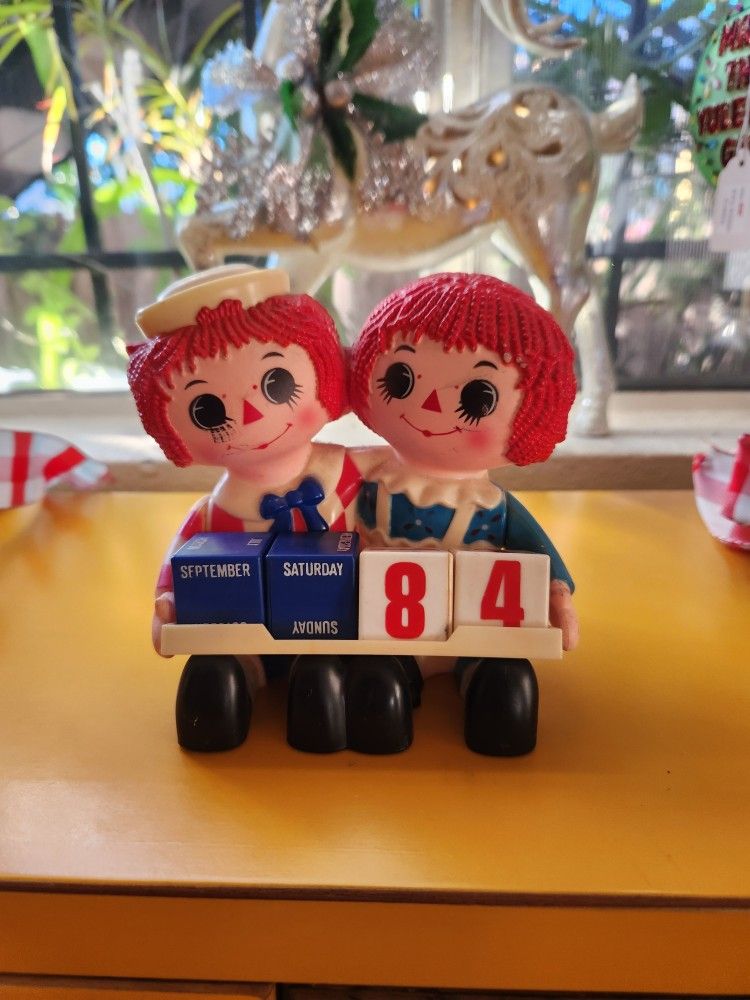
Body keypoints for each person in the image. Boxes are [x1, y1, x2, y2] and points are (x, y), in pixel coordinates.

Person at [128, 264, 364, 752]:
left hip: (333, 630)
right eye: (208, 411)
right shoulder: (216, 511)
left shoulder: (346, 474)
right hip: (243, 629)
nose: (252, 415)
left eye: (277, 384)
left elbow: (390, 527)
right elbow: (178, 561)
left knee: (320, 679)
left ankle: (322, 691)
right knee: (216, 674)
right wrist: (166, 603)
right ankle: (228, 689)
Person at [349, 271, 579, 756]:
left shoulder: (493, 506)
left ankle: (490, 686)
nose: (432, 406)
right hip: (385, 629)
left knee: (505, 686)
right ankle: (384, 696)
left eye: (478, 399)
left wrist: (558, 594)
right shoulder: (364, 481)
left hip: (477, 625)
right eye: (402, 379)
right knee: (372, 686)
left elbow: (539, 552)